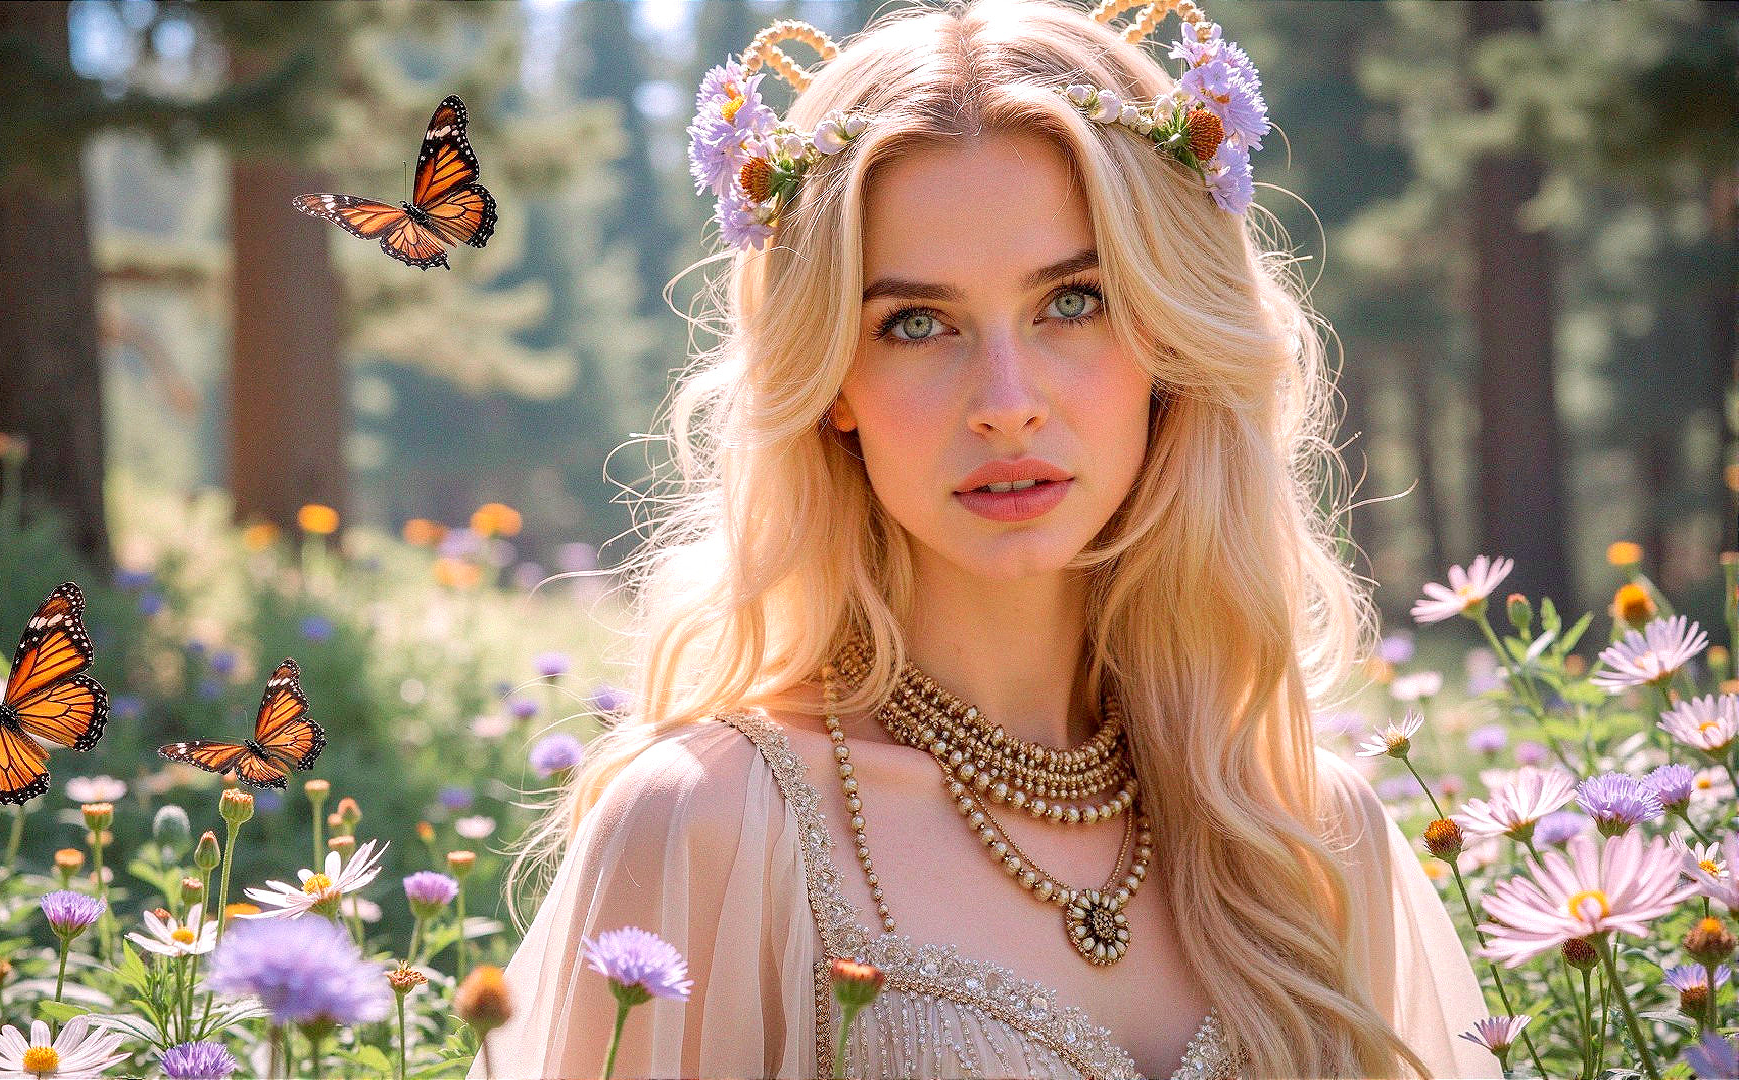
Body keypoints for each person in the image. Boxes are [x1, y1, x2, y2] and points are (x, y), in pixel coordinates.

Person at [474, 0, 1499, 1076]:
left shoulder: (1307, 838)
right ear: (831, 382)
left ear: (1171, 340)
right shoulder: (712, 827)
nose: (1006, 402)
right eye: (916, 324)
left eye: (1075, 302)